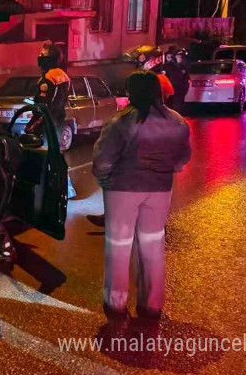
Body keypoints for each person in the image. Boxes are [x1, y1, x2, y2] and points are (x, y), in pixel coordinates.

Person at [92, 70, 191, 321]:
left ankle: (116, 303)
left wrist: (104, 177)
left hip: (122, 190)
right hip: (159, 189)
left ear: (132, 92)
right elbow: (182, 159)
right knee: (153, 245)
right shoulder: (177, 121)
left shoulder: (122, 121)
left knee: (119, 246)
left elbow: (102, 160)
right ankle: (152, 305)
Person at [34, 41, 76, 198]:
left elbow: (44, 106)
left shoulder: (48, 78)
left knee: (47, 156)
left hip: (48, 123)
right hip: (58, 120)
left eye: (42, 54)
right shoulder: (63, 75)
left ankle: (62, 190)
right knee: (56, 154)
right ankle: (66, 189)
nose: (39, 57)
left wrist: (34, 124)